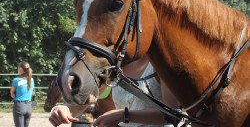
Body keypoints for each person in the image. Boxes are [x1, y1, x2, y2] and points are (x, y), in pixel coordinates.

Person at [49, 55, 183, 127]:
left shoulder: (161, 63)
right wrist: (65, 109)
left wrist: (124, 115)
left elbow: (173, 116)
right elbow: (91, 96)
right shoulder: (116, 67)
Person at [10, 61, 35, 127]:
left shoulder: (16, 80)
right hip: (29, 107)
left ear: (21, 69)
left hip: (19, 106)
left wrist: (14, 96)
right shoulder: (31, 80)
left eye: (18, 68)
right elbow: (32, 92)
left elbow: (12, 93)